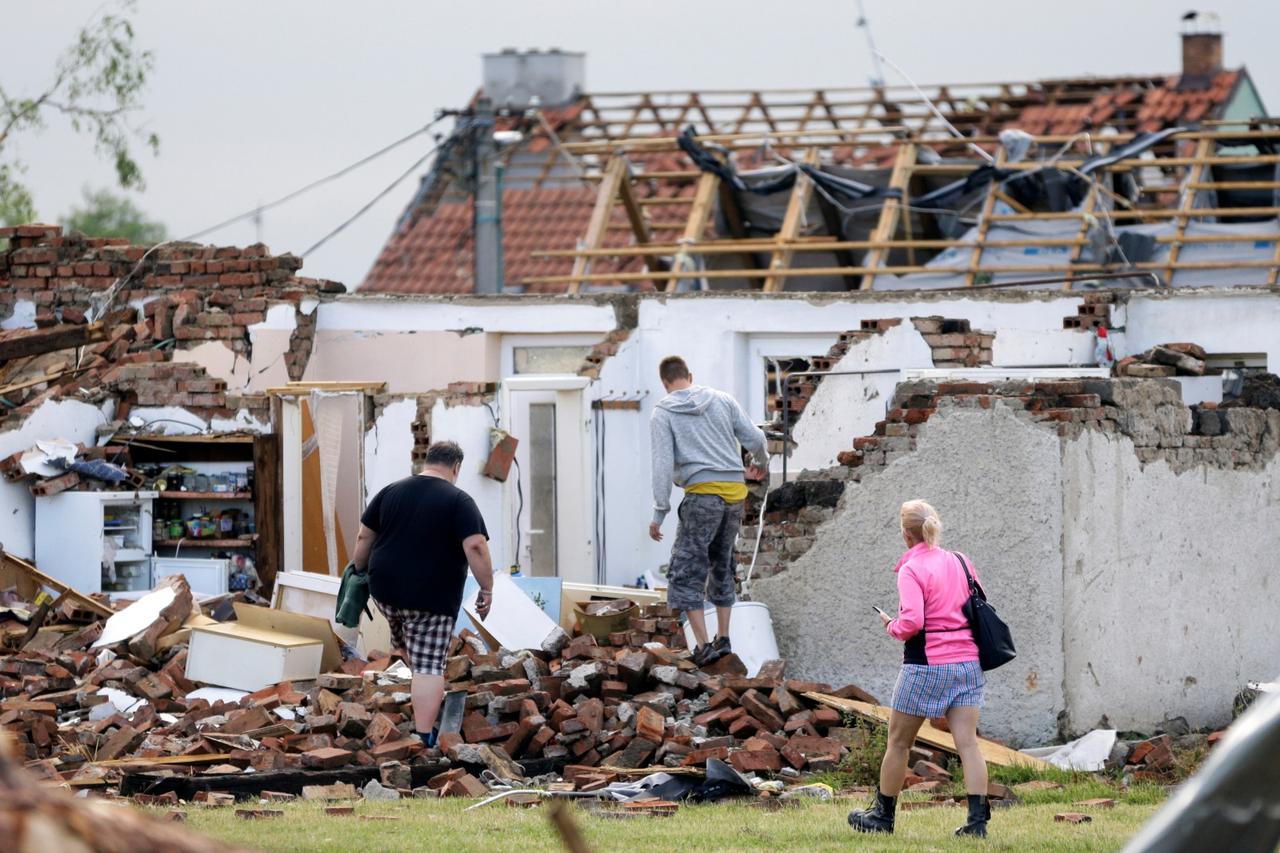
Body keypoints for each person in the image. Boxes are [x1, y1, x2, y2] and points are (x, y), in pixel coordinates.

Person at [848, 499, 991, 838]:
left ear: (905, 535)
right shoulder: (961, 560)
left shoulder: (912, 569)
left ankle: (882, 818)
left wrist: (890, 625)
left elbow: (912, 622)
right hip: (968, 663)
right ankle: (976, 824)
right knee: (968, 744)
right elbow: (979, 602)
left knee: (898, 742)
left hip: (926, 665)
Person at [351, 441, 494, 748]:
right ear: (456, 467)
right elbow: (476, 546)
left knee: (408, 641)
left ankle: (405, 686)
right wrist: (487, 588)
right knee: (430, 666)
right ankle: (423, 736)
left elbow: (364, 535)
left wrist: (357, 571)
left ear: (426, 461)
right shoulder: (459, 500)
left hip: (386, 592)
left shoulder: (390, 491)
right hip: (430, 598)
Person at [649, 355, 768, 668]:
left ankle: (702, 645)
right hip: (734, 497)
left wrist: (659, 511)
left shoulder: (663, 412)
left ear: (664, 383)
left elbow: (662, 466)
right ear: (691, 374)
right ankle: (724, 637)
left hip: (702, 496)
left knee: (687, 569)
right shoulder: (722, 400)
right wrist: (761, 462)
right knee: (722, 562)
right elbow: (755, 438)